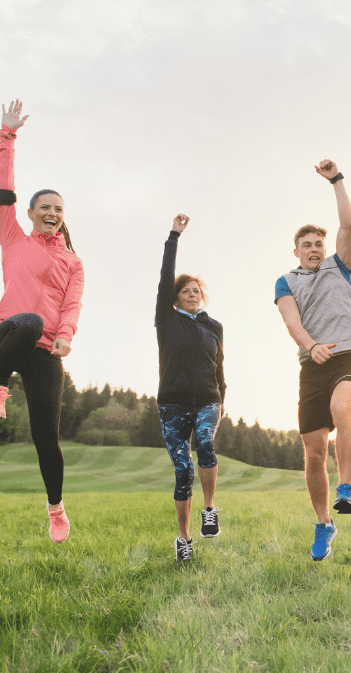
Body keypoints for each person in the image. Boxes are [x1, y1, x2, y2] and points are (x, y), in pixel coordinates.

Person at [0, 100, 84, 543]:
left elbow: (73, 306)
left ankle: (56, 509)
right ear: (30, 212)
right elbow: (4, 188)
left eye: (58, 209)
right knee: (26, 321)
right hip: (4, 335)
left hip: (44, 352)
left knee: (48, 438)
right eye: (45, 207)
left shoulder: (73, 262)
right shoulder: (11, 236)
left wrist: (65, 338)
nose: (52, 213)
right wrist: (8, 136)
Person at [275, 159, 351, 561]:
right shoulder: (286, 281)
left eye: (318, 244)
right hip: (311, 365)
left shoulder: (339, 268)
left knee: (341, 406)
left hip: (345, 357)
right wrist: (312, 347)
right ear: (296, 250)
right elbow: (292, 323)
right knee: (313, 453)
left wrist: (336, 181)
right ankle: (323, 524)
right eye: (307, 245)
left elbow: (347, 225)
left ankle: (347, 487)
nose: (314, 249)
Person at [155, 214, 226, 563]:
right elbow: (165, 276)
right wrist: (174, 237)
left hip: (208, 400)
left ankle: (210, 508)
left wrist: (222, 400)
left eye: (196, 291)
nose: (192, 294)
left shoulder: (214, 326)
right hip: (172, 404)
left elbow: (220, 367)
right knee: (182, 470)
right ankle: (183, 538)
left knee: (205, 443)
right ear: (176, 298)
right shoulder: (166, 321)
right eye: (185, 291)